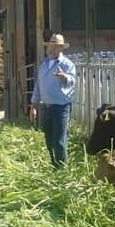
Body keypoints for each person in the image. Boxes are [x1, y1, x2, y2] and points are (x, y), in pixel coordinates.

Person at [29, 34, 76, 168]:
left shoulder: (67, 65)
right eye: (49, 46)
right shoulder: (44, 65)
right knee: (49, 140)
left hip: (61, 108)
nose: (51, 49)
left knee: (59, 141)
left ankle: (61, 170)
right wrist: (33, 106)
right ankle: (54, 165)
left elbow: (72, 81)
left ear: (61, 48)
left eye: (55, 47)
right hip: (47, 107)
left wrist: (64, 78)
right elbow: (38, 86)